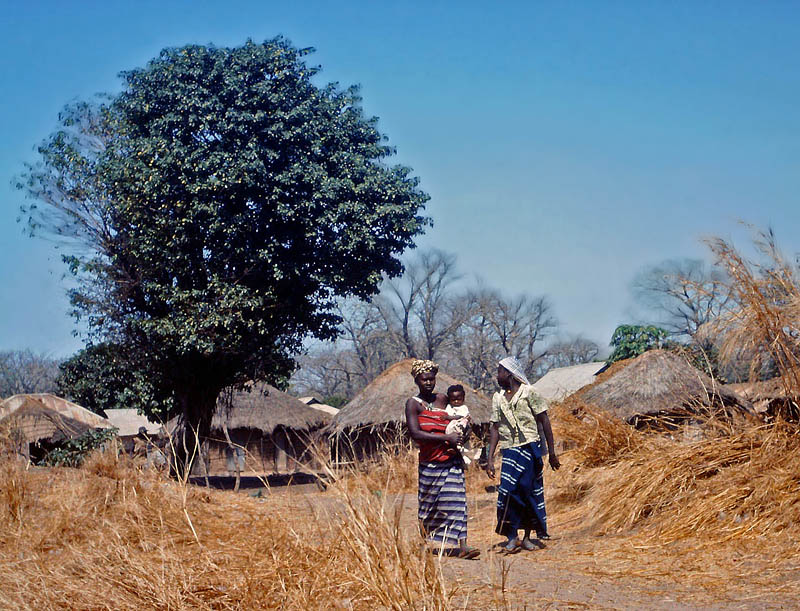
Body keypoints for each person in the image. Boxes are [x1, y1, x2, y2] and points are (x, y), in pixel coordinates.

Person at [405, 359, 480, 559]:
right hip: (429, 462)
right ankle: (423, 543)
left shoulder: (443, 399)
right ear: (416, 381)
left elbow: (462, 417)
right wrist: (445, 437)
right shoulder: (413, 404)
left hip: (451, 459)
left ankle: (463, 545)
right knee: (429, 505)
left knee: (458, 501)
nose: (428, 383)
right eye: (424, 380)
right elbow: (415, 433)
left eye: (431, 379)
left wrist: (464, 432)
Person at [485, 356, 560, 554]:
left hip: (530, 448)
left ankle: (527, 537)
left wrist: (551, 453)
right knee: (508, 493)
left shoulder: (530, 393)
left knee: (528, 492)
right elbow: (495, 427)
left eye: (500, 371)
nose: (498, 375)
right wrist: (490, 458)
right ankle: (512, 536)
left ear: (509, 373)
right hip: (509, 450)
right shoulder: (498, 398)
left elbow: (544, 421)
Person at [443, 385, 473, 466]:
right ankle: (451, 447)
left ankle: (458, 449)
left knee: (459, 435)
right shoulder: (449, 407)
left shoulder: (463, 408)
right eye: (453, 400)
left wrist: (449, 417)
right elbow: (446, 413)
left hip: (460, 425)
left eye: (458, 399)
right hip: (451, 426)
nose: (456, 401)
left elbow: (460, 416)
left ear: (463, 398)